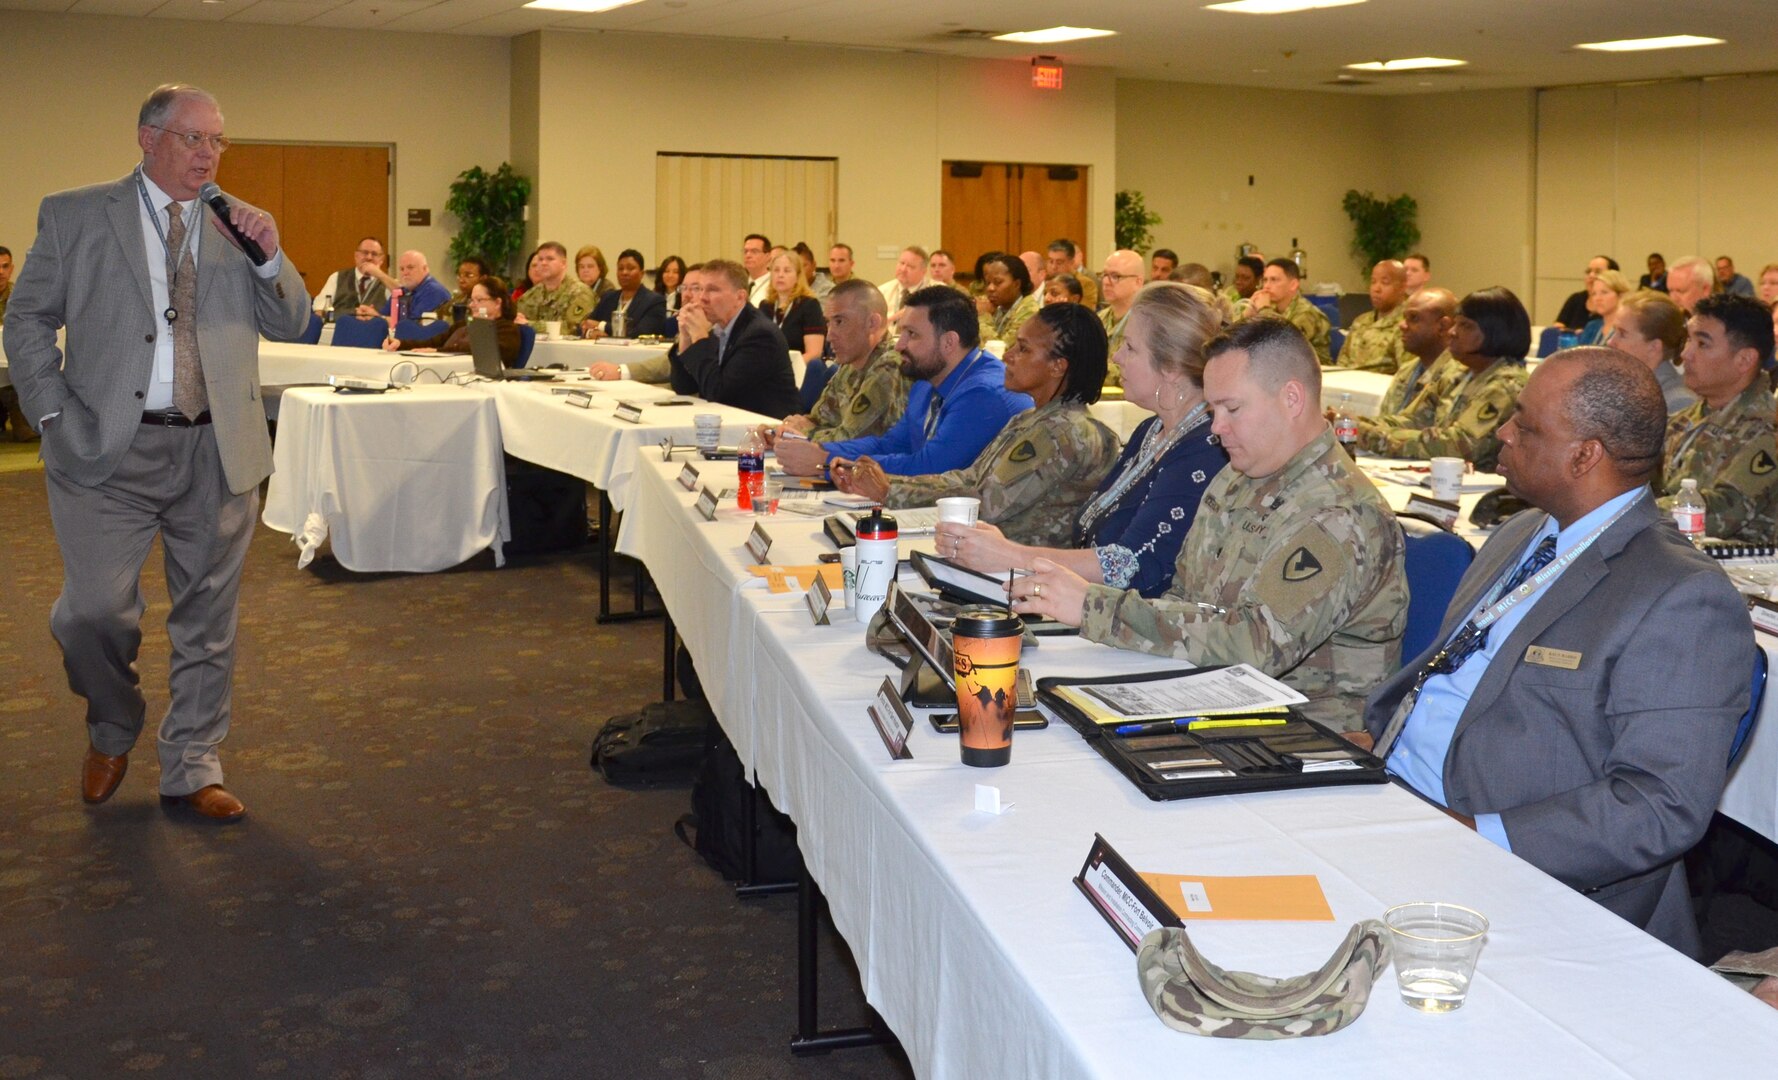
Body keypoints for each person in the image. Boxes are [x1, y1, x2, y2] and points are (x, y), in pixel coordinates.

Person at [1360, 347, 1752, 958]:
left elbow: (1659, 805)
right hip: (1396, 800)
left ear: (1584, 455)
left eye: (1526, 424)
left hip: (1506, 868)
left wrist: (1471, 838)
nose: (1503, 433)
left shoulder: (1680, 597)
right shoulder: (1522, 533)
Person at [3, 84, 310, 821]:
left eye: (217, 141)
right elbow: (27, 319)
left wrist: (270, 261)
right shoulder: (74, 213)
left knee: (207, 620)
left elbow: (294, 321)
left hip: (218, 449)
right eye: (192, 139)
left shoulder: (239, 223)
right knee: (92, 615)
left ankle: (192, 765)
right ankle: (112, 724)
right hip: (107, 451)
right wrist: (49, 411)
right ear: (147, 138)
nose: (208, 154)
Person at [1011, 317, 1408, 732]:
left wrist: (1095, 607)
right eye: (1212, 410)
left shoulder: (1340, 514)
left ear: (1292, 399)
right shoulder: (1238, 477)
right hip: (1216, 701)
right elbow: (1185, 596)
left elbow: (1258, 645)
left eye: (1232, 408)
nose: (1217, 429)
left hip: (1306, 735)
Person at [937, 281, 1228, 598]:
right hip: (1093, 613)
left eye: (1130, 348)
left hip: (1134, 631)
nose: (1116, 358)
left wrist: (1010, 555)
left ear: (1170, 366)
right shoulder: (1151, 431)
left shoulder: (1204, 448)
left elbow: (1132, 565)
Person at [834, 304, 1120, 547]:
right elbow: (969, 478)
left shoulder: (1062, 432)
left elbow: (986, 504)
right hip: (992, 561)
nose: (1007, 356)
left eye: (1023, 349)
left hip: (1018, 577)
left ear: (1058, 366)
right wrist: (880, 482)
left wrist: (889, 492)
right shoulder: (1031, 419)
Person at [775, 286, 1030, 478]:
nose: (899, 345)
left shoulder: (983, 394)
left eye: (912, 335)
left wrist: (827, 463)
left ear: (949, 342)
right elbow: (890, 443)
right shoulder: (926, 381)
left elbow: (928, 467)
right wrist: (818, 449)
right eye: (902, 333)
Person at [1353, 287, 1530, 470]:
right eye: (1456, 324)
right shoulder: (1457, 374)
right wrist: (1354, 424)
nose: (1452, 332)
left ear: (1495, 332)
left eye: (1465, 326)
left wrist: (1371, 436)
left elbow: (1458, 446)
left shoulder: (1506, 385)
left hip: (1484, 488)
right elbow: (1413, 419)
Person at [1656, 292, 1778, 543]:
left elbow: (1722, 513)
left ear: (1744, 360)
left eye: (1702, 344)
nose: (1686, 354)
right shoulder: (1684, 419)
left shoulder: (1768, 428)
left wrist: (1630, 513)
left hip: (1747, 575)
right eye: (1688, 340)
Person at [773, 279, 908, 443]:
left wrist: (794, 434)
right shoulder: (851, 363)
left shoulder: (890, 365)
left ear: (872, 323)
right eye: (828, 322)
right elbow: (818, 420)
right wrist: (780, 431)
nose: (829, 336)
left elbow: (849, 439)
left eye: (840, 322)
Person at [666, 260, 798, 418]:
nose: (702, 298)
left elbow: (718, 393)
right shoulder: (719, 327)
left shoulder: (760, 335)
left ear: (740, 297)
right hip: (732, 422)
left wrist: (700, 337)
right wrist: (686, 337)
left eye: (712, 290)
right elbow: (683, 387)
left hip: (766, 429)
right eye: (700, 289)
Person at [382, 275, 520, 365]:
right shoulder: (464, 325)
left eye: (479, 300)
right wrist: (400, 343)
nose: (472, 305)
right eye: (472, 300)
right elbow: (432, 342)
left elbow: (487, 350)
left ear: (497, 302)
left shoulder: (507, 330)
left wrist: (440, 351)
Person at [1608, 289, 1696, 414]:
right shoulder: (1622, 389)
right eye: (1614, 331)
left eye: (1622, 334)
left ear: (1654, 347)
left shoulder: (1677, 402)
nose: (1610, 342)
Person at [1374, 288, 1458, 417]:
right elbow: (1385, 422)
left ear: (1443, 326)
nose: (1402, 325)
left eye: (1413, 318)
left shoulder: (1457, 376)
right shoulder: (1406, 370)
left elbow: (1441, 434)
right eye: (1404, 318)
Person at [1237, 258, 1331, 365]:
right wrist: (1248, 315)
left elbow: (1282, 346)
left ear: (1293, 285)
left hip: (1314, 374)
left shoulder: (1306, 313)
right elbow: (1237, 343)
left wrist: (1264, 310)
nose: (1267, 286)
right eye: (1265, 280)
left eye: (1274, 280)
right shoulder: (1271, 308)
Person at [1336, 259, 1409, 373]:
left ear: (1402, 287)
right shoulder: (1360, 321)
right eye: (1373, 282)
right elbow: (1342, 363)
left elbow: (1406, 376)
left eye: (1385, 283)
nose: (1376, 289)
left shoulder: (1406, 325)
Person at [581, 249, 666, 340]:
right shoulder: (608, 297)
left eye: (630, 268)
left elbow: (639, 333)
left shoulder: (654, 301)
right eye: (620, 269)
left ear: (642, 274)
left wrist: (602, 325)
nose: (624, 272)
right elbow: (586, 324)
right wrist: (589, 333)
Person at [759, 248, 826, 359]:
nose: (780, 275)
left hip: (798, 370)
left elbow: (814, 353)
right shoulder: (765, 306)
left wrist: (786, 370)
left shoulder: (809, 305)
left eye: (787, 270)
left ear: (798, 276)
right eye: (776, 270)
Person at [515, 241, 595, 328]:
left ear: (563, 263)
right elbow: (517, 322)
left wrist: (529, 325)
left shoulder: (580, 292)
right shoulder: (529, 296)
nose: (543, 263)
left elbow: (572, 327)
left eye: (550, 259)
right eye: (540, 259)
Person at [1097, 249, 1147, 386]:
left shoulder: (1148, 322)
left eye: (1115, 276)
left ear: (1138, 282)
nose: (1106, 282)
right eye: (1104, 275)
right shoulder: (1098, 319)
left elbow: (1138, 372)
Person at [975, 252, 1040, 349]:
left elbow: (1001, 352)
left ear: (1017, 284)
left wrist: (984, 316)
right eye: (988, 283)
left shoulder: (1030, 311)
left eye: (997, 282)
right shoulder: (998, 306)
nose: (990, 288)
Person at [317, 236, 388, 318]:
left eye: (374, 254)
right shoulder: (337, 277)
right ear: (356, 256)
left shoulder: (387, 283)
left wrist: (381, 275)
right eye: (365, 252)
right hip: (340, 329)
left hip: (374, 329)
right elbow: (319, 310)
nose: (369, 257)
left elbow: (396, 317)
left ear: (381, 259)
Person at [383, 250, 451, 322]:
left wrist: (387, 320)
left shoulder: (435, 291)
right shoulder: (402, 291)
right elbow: (383, 316)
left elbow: (414, 325)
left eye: (410, 267)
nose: (405, 273)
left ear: (424, 269)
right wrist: (372, 315)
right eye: (402, 269)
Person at [1552, 255, 1616, 329]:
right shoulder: (1575, 299)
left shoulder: (1618, 306)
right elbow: (1558, 326)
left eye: (1598, 272)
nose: (1591, 275)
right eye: (1588, 272)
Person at [1575, 268, 1631, 345]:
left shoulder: (1628, 328)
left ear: (1620, 295)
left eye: (1604, 292)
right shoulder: (1592, 327)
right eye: (1594, 294)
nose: (1598, 298)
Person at [879, 245, 931, 320]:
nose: (903, 269)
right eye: (902, 263)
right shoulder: (883, 291)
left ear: (923, 272)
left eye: (910, 266)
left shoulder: (933, 292)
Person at [1046, 239, 1098, 309]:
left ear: (1071, 262)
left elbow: (1085, 314)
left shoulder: (1086, 284)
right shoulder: (1045, 280)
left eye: (1059, 262)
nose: (1054, 267)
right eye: (1051, 261)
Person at [743, 233, 773, 305]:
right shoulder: (740, 284)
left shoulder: (774, 285)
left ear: (767, 256)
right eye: (746, 251)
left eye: (754, 251)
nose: (748, 255)